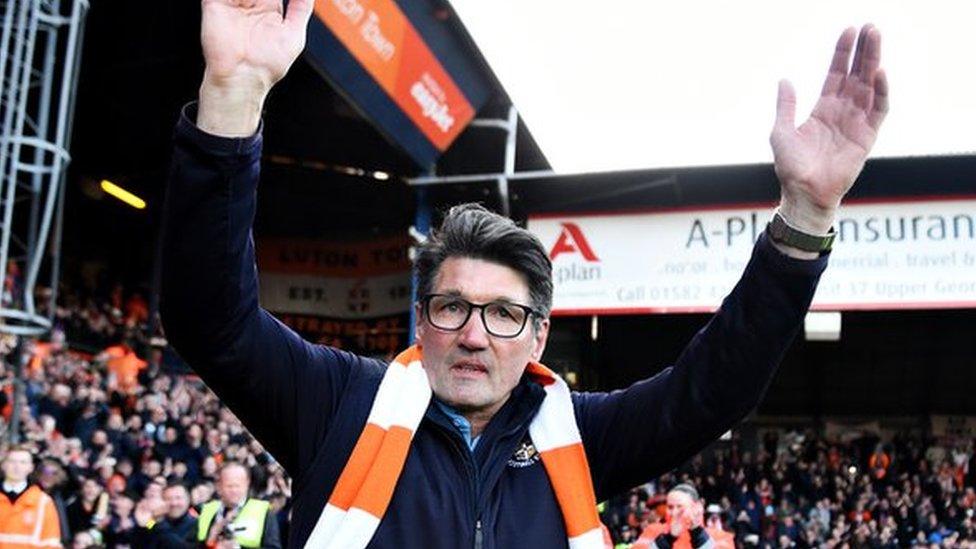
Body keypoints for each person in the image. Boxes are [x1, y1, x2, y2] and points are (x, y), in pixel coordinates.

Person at [160, 1, 887, 547]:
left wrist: (805, 214)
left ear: (538, 335)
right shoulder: (336, 404)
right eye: (451, 307)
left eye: (503, 314)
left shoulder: (582, 436)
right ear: (421, 321)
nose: (474, 333)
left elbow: (713, 391)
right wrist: (234, 93)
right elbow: (209, 319)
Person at [195, 462, 280, 548]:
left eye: (238, 486)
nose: (234, 490)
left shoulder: (263, 510)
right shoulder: (206, 509)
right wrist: (210, 540)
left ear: (247, 484)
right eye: (229, 486)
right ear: (218, 486)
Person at [633, 484, 735, 549]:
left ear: (697, 507)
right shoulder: (653, 531)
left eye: (680, 507)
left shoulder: (721, 536)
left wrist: (698, 535)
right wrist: (667, 539)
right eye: (670, 507)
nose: (674, 512)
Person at [0, 446, 62, 548]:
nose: (17, 467)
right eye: (12, 461)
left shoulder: (43, 502)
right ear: (3, 465)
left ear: (31, 468)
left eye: (23, 462)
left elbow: (50, 543)